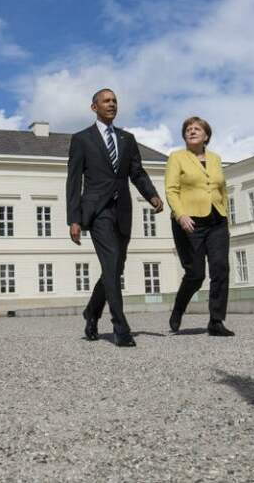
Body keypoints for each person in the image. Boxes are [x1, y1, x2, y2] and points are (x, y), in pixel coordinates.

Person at [66, 89, 164, 347]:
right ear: (94, 107)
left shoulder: (127, 139)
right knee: (111, 266)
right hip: (97, 211)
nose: (112, 104)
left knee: (115, 268)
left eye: (115, 101)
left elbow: (137, 173)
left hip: (123, 210)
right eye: (106, 101)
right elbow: (73, 182)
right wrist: (73, 219)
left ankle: (91, 312)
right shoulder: (81, 139)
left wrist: (152, 195)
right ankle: (120, 326)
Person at [165, 116, 234, 336]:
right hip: (190, 222)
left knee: (220, 268)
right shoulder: (177, 157)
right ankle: (178, 309)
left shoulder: (215, 159)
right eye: (188, 129)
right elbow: (171, 190)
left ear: (206, 136)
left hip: (216, 221)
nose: (192, 131)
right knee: (195, 274)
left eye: (197, 129)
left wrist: (226, 217)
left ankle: (216, 320)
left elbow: (222, 190)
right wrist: (180, 214)